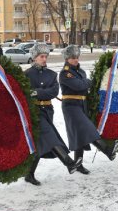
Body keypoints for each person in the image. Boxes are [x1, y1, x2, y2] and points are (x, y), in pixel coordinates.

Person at [23, 44, 83, 186]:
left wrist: (36, 92)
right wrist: (40, 92)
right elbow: (26, 92)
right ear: (34, 58)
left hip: (48, 111)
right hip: (34, 112)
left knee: (41, 142)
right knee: (51, 136)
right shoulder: (26, 75)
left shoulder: (52, 74)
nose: (44, 59)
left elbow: (54, 92)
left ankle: (29, 174)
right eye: (41, 57)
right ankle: (69, 163)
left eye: (46, 56)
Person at [59, 45, 118, 175]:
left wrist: (86, 83)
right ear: (67, 59)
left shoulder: (81, 72)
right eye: (73, 58)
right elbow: (79, 85)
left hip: (82, 104)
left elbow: (84, 86)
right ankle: (107, 150)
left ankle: (78, 164)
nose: (75, 60)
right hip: (71, 106)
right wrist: (86, 83)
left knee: (80, 135)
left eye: (77, 57)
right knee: (88, 129)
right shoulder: (65, 73)